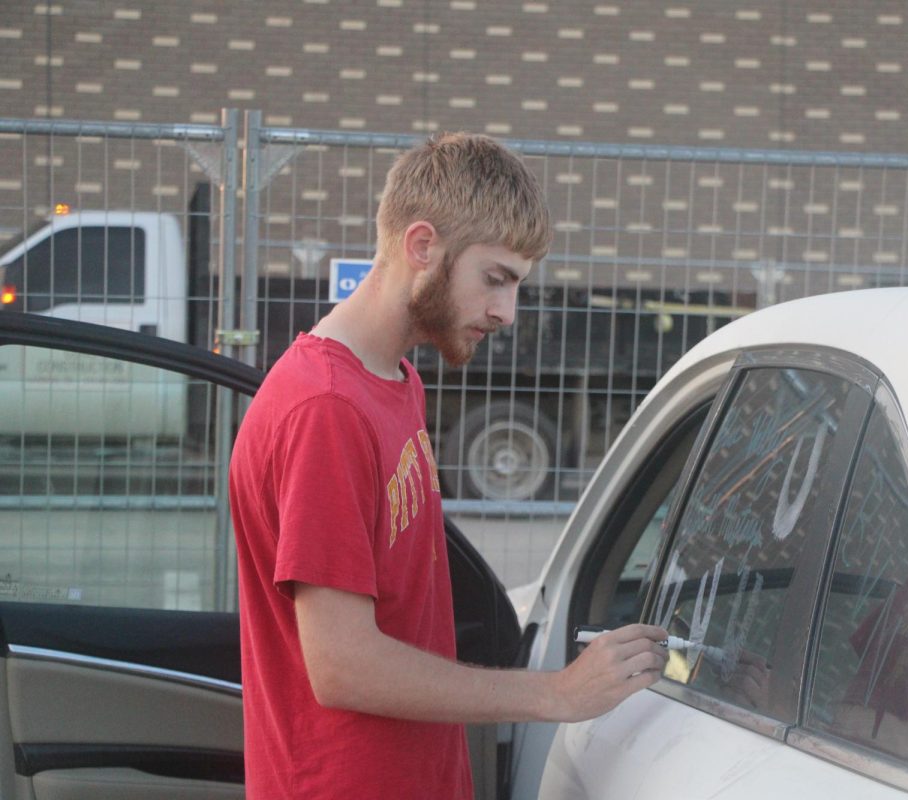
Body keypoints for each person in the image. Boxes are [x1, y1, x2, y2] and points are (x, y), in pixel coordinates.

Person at [229, 132, 668, 799]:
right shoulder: (325, 410)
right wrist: (555, 693)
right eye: (495, 279)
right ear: (423, 246)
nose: (506, 312)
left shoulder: (396, 380)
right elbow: (342, 665)